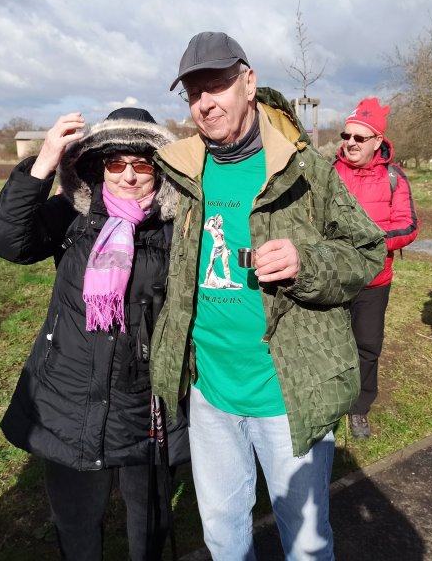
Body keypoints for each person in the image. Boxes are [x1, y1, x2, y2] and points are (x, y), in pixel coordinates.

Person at [149, 31, 387, 560]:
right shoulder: (183, 172)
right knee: (222, 536)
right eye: (193, 93)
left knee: (304, 543)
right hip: (211, 395)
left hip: (287, 395)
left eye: (216, 86)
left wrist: (308, 264)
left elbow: (368, 251)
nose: (204, 103)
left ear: (249, 82)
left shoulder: (306, 170)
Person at [0, 108, 188, 560]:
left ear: (161, 169)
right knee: (76, 532)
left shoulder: (179, 228)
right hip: (69, 402)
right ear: (98, 168)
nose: (130, 176)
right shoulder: (71, 218)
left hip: (146, 406)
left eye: (143, 164)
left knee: (148, 530)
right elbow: (4, 240)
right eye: (117, 164)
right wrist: (44, 161)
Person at [334, 97, 420, 439]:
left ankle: (359, 407)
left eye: (359, 137)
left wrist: (373, 240)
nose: (350, 143)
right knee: (331, 342)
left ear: (377, 142)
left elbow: (409, 225)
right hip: (335, 277)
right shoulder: (329, 172)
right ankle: (330, 401)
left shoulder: (394, 177)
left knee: (367, 346)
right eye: (347, 135)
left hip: (374, 280)